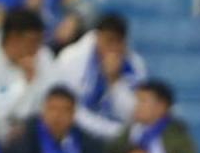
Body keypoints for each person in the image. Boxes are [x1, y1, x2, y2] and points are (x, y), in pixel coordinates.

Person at [51, 12, 147, 141]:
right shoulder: (70, 59)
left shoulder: (135, 65)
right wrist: (107, 131)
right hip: (80, 133)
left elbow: (136, 114)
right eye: (108, 41)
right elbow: (69, 108)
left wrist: (114, 81)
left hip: (120, 138)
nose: (113, 48)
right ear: (97, 37)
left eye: (118, 42)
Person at [0, 7, 56, 145]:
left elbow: (50, 101)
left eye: (39, 42)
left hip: (34, 133)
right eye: (32, 42)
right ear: (13, 37)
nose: (37, 49)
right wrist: (24, 83)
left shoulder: (43, 56)